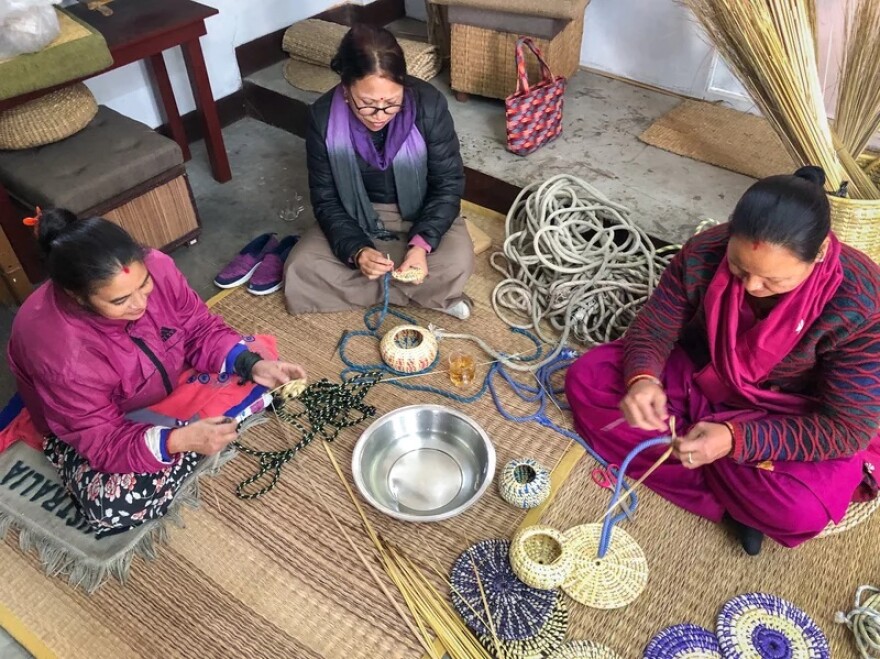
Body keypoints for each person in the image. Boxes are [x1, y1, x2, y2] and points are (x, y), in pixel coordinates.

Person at [565, 167, 880, 555]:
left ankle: (719, 474)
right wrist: (643, 379)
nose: (749, 286)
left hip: (786, 412)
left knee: (802, 510)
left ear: (819, 255)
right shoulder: (706, 250)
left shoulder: (861, 302)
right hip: (703, 377)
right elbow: (655, 326)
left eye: (772, 281)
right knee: (587, 378)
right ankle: (731, 496)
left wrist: (736, 439)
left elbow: (845, 429)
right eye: (738, 268)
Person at [7, 208, 306, 536]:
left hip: (162, 375)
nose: (140, 305)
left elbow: (197, 327)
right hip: (95, 424)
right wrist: (177, 440)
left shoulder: (158, 266)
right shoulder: (60, 351)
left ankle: (194, 426)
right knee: (115, 505)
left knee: (259, 363)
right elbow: (99, 436)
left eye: (144, 285)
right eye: (120, 300)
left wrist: (253, 365)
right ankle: (192, 430)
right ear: (78, 297)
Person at [284, 24, 474, 318]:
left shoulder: (429, 105)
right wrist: (358, 250)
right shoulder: (322, 117)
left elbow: (448, 184)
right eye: (368, 105)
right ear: (346, 90)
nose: (380, 116)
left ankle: (385, 283)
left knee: (457, 261)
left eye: (392, 104)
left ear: (404, 86)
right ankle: (424, 293)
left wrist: (422, 246)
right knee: (301, 267)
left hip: (421, 210)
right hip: (356, 215)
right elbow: (326, 200)